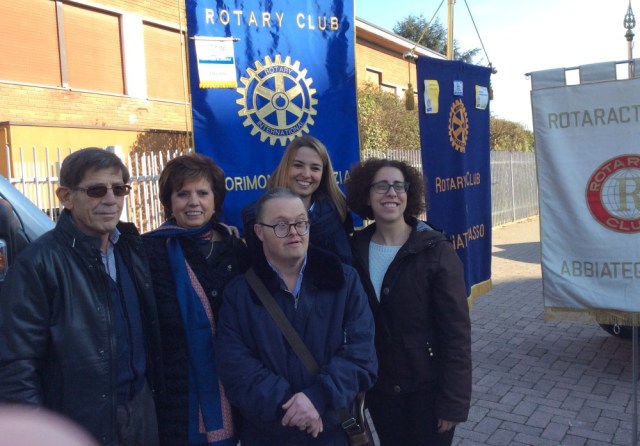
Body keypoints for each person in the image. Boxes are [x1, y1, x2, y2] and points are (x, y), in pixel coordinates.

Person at [0, 147, 162, 446]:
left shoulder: (132, 249)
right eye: (96, 190)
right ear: (66, 197)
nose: (111, 200)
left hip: (140, 413)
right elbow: (17, 364)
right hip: (78, 422)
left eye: (119, 189)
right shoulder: (38, 264)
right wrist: (36, 436)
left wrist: (223, 233)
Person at [217, 188, 377, 445]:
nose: (294, 232)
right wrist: (291, 407)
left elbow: (362, 355)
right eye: (281, 225)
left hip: (332, 432)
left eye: (301, 223)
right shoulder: (239, 294)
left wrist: (317, 397)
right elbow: (235, 366)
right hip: (268, 435)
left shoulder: (344, 281)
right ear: (259, 232)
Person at [346, 158, 472, 446]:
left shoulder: (435, 251)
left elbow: (456, 333)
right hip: (381, 390)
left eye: (398, 186)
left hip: (428, 391)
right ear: (366, 194)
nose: (391, 192)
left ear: (408, 193)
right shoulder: (354, 250)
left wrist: (453, 402)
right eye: (381, 186)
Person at [142, 153, 249, 446]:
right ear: (169, 201)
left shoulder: (236, 249)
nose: (193, 202)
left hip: (235, 381)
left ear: (215, 200)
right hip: (176, 390)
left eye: (202, 193)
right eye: (183, 194)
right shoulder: (147, 251)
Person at [242, 135, 353, 264]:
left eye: (315, 168)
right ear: (285, 168)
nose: (306, 174)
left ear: (323, 173)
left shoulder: (338, 210)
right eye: (298, 165)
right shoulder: (256, 216)